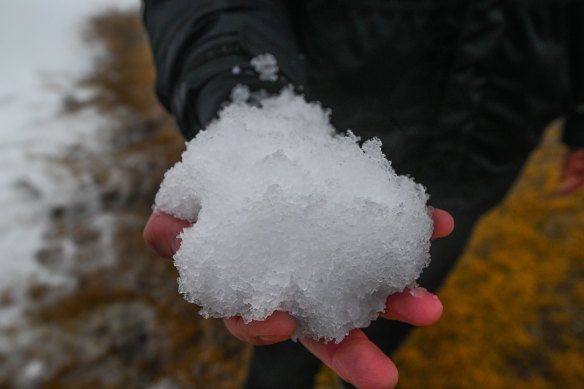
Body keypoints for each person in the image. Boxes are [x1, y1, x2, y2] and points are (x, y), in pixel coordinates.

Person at [141, 1, 584, 388]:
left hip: (484, 148)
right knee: (284, 330)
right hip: (332, 121)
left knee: (394, 303)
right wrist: (243, 94)